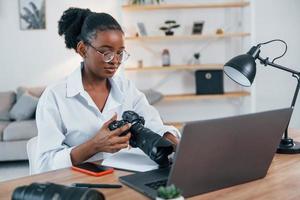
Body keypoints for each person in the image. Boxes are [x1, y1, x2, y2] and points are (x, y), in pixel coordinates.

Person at [35, 7, 181, 173]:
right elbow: (45, 164)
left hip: (123, 177)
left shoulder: (126, 88)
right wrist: (94, 146)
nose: (115, 61)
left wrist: (173, 141)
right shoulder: (55, 96)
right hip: (77, 184)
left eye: (120, 53)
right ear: (83, 49)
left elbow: (155, 125)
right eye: (106, 52)